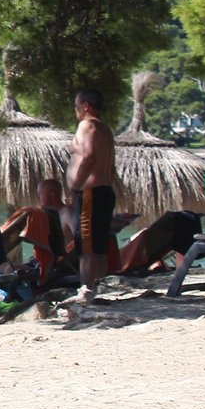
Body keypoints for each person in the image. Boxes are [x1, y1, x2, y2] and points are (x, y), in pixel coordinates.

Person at [67, 87, 118, 302]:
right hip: (104, 191)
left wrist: (75, 186)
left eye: (77, 106)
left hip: (90, 193)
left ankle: (86, 289)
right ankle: (99, 288)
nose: (76, 110)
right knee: (98, 247)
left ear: (86, 106)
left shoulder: (86, 126)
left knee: (86, 247)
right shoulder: (105, 129)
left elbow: (88, 156)